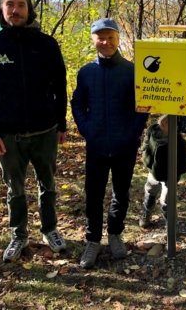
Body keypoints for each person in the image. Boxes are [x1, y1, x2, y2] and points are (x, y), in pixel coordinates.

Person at [0, 0, 68, 262]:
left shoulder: (47, 44)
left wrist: (61, 123)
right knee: (15, 189)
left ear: (29, 10)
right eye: (10, 6)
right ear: (1, 11)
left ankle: (50, 229)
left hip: (45, 132)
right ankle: (19, 235)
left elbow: (60, 86)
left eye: (21, 5)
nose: (15, 10)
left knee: (48, 184)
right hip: (8, 135)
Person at [71, 18, 148, 269]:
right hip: (96, 146)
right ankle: (92, 240)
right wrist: (86, 129)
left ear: (118, 39)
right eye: (100, 37)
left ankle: (115, 234)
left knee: (120, 193)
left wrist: (134, 131)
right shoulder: (86, 72)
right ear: (94, 40)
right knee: (93, 194)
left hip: (125, 145)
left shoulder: (131, 70)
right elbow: (77, 103)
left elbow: (142, 106)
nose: (106, 42)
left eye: (111, 37)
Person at [139, 115, 186, 228]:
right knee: (150, 191)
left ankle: (171, 223)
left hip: (170, 175)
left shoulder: (178, 142)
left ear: (175, 128)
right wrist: (147, 159)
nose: (163, 122)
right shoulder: (153, 130)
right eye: (165, 117)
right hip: (154, 170)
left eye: (168, 122)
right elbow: (145, 145)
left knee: (167, 200)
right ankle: (146, 213)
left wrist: (176, 172)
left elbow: (184, 162)